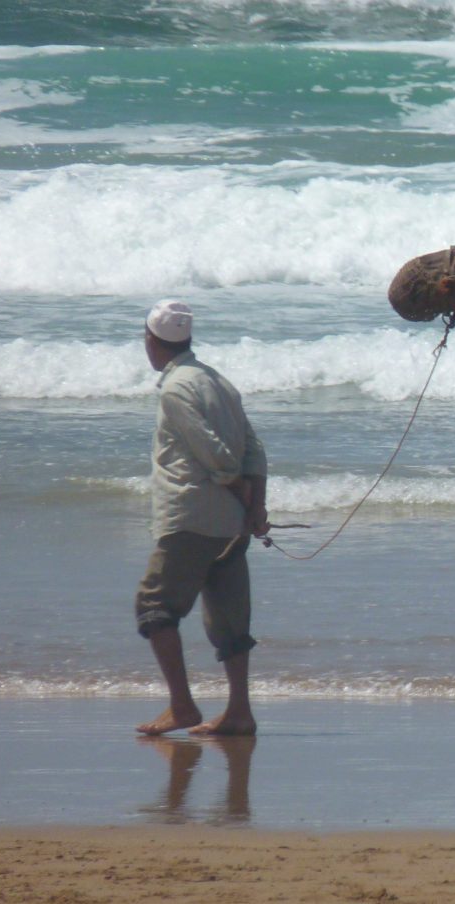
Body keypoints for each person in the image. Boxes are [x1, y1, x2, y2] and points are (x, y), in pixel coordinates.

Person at [134, 300, 269, 736]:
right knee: (230, 622)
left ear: (152, 343)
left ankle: (182, 707)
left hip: (189, 517)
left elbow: (217, 456)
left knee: (154, 608)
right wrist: (254, 507)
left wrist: (241, 494)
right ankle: (239, 713)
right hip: (231, 525)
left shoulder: (175, 390)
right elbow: (254, 450)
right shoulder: (219, 382)